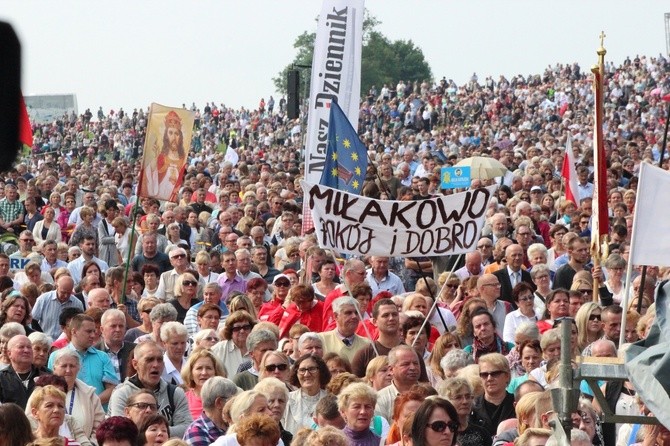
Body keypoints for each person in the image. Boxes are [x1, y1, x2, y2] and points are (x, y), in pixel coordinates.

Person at [108, 341, 193, 438]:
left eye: (160, 360)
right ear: (135, 364)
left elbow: (186, 428)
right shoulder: (122, 394)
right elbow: (120, 432)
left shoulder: (175, 393)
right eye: (149, 360)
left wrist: (153, 431)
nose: (156, 365)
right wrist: (160, 432)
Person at [47, 348, 105, 440]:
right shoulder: (42, 393)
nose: (68, 370)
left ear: (78, 368)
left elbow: (99, 426)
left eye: (72, 366)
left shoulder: (89, 395)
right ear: (54, 368)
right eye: (64, 366)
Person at [143, 110, 189, 202]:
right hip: (160, 199)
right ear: (166, 136)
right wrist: (154, 158)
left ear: (180, 137)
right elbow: (151, 174)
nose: (174, 137)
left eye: (177, 134)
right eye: (170, 133)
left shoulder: (183, 159)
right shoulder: (160, 157)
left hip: (176, 200)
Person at [183, 376, 239, 446]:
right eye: (234, 401)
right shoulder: (197, 432)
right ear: (219, 403)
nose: (236, 405)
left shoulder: (232, 425)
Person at [470, 353, 515, 438]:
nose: (489, 378)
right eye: (484, 374)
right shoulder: (472, 406)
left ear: (507, 376)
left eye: (495, 373)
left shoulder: (517, 404)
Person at [0, 335, 51, 409]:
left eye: (29, 347)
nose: (26, 350)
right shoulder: (2, 378)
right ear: (9, 353)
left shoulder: (46, 378)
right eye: (21, 347)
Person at [283, 354, 330, 434]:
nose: (307, 374)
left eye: (312, 369)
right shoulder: (286, 400)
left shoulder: (331, 401)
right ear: (296, 374)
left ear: (321, 372)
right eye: (302, 370)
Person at [438, 377, 491, 446]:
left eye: (468, 396)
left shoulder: (482, 433)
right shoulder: (441, 434)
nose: (465, 401)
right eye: (458, 397)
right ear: (445, 401)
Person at [375, 345, 421, 422]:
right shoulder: (380, 399)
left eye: (416, 363)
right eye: (406, 364)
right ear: (391, 369)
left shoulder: (429, 395)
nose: (413, 367)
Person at [31, 275, 83, 340]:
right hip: (45, 340)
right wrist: (41, 336)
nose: (66, 296)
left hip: (66, 342)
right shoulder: (43, 299)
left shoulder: (77, 304)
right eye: (63, 292)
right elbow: (33, 320)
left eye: (69, 293)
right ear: (57, 287)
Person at [181, 349, 225, 419]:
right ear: (191, 373)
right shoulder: (182, 400)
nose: (204, 373)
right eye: (199, 368)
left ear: (216, 372)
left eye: (209, 368)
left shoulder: (224, 399)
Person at [211, 310, 255, 378]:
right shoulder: (218, 349)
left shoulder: (257, 349)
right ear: (230, 331)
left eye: (246, 327)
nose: (242, 331)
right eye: (237, 328)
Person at [337, 382, 381, 446]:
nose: (363, 412)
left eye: (367, 406)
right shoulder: (335, 442)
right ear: (343, 412)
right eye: (356, 407)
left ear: (373, 410)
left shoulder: (381, 443)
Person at [254, 377, 293, 446]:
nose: (277, 405)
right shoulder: (248, 437)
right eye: (271, 401)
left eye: (281, 401)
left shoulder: (289, 439)